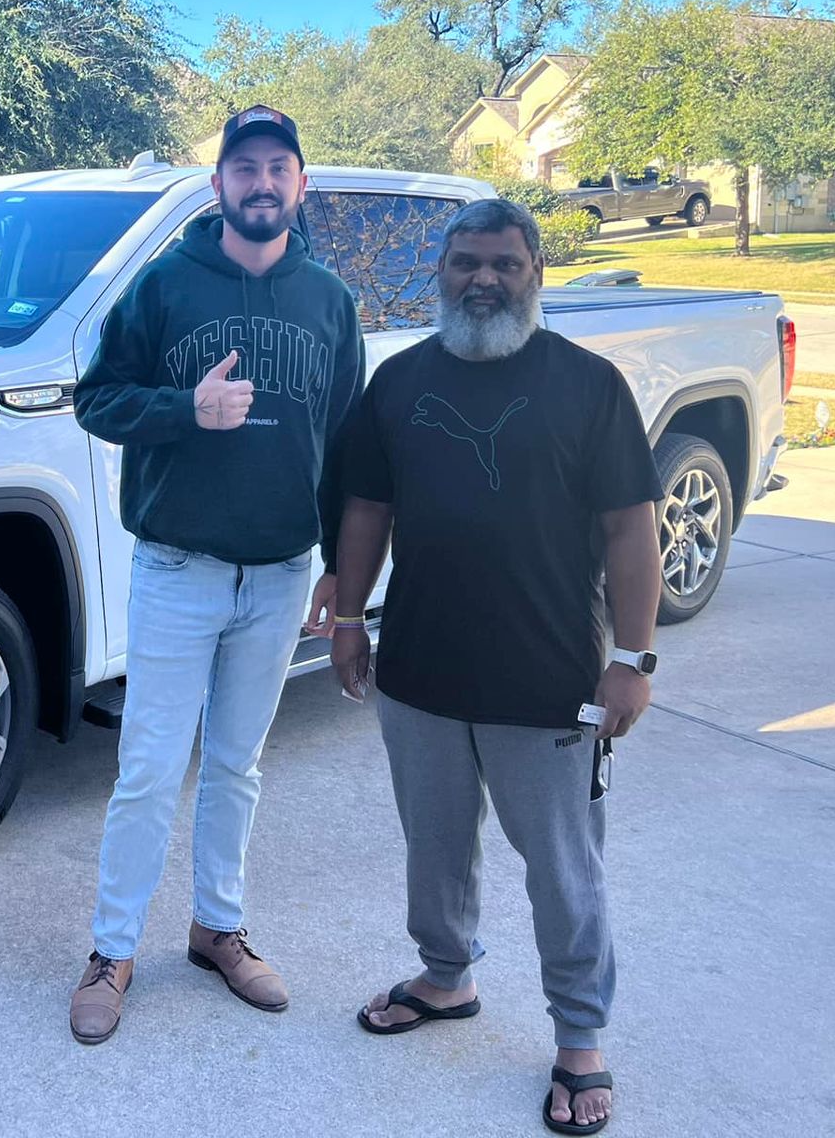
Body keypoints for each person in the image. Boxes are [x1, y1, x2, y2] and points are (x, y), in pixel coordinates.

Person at [326, 197, 663, 1135]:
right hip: (420, 674)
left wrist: (631, 659)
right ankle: (446, 976)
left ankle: (581, 1040)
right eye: (465, 262)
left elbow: (630, 527)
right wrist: (349, 618)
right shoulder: (398, 382)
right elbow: (365, 508)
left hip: (547, 679)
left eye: (504, 265)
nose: (483, 279)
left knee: (562, 868)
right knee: (434, 846)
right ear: (440, 272)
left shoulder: (589, 385)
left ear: (535, 274)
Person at [66, 105, 365, 1045]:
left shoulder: (329, 301)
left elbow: (347, 448)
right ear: (218, 187)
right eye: (245, 168)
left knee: (238, 764)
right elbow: (97, 399)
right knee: (150, 767)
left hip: (279, 574)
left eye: (281, 167)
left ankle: (217, 930)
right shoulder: (164, 286)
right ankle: (112, 951)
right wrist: (184, 409)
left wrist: (338, 576)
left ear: (301, 186)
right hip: (180, 567)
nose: (262, 182)